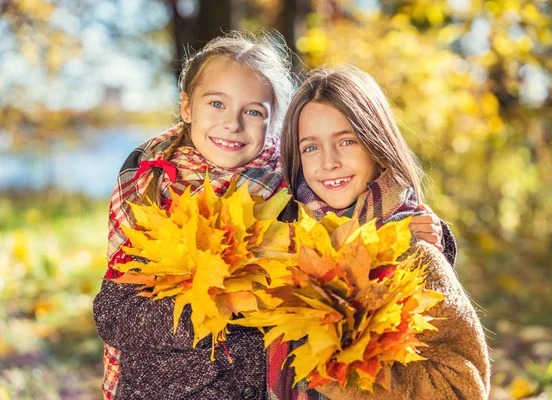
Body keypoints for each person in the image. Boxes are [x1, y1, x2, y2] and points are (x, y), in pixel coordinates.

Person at [93, 31, 451, 399]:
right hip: (164, 389)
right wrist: (222, 305)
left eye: (252, 111)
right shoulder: (152, 183)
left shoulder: (296, 185)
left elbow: (366, 224)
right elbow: (114, 315)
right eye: (216, 104)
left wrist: (431, 238)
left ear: (273, 120)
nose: (233, 123)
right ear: (187, 106)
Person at [278, 65, 490, 399]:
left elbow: (465, 387)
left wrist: (347, 380)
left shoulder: (414, 251)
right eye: (311, 147)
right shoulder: (284, 247)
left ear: (376, 145)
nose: (328, 161)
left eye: (346, 141)